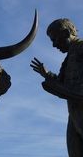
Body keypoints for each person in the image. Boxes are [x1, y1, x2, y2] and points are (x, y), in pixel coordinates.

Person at [30, 18, 83, 157]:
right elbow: (62, 83)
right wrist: (47, 74)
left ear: (66, 33)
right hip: (74, 115)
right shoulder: (68, 58)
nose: (54, 45)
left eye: (55, 39)